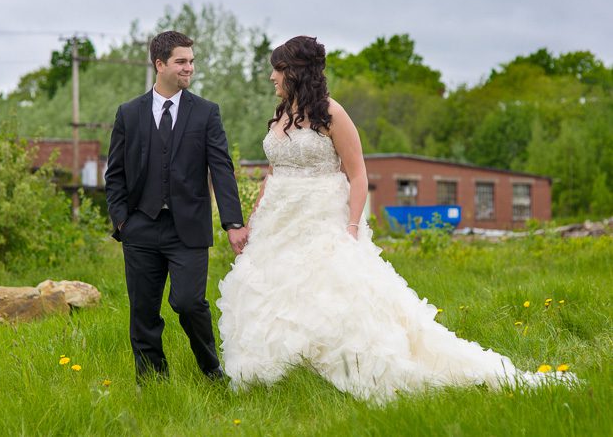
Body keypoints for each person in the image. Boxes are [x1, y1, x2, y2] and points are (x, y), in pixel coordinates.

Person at [216, 35, 575, 403]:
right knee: (275, 292)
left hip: (321, 219)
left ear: (295, 72)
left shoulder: (331, 114)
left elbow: (359, 175)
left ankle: (348, 368)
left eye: (277, 69)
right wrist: (253, 221)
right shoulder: (281, 115)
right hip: (278, 223)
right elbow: (273, 174)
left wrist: (351, 226)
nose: (272, 77)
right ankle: (287, 373)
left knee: (327, 294)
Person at [105, 30, 250, 383]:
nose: (190, 68)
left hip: (188, 228)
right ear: (160, 64)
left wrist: (233, 223)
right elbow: (115, 173)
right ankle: (153, 381)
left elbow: (221, 169)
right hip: (140, 226)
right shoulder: (129, 113)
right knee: (143, 310)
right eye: (181, 62)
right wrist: (122, 221)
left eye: (191, 62)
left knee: (188, 303)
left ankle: (211, 368)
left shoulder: (206, 113)